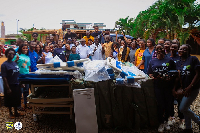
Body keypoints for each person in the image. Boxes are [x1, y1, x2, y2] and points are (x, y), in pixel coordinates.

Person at [147, 43, 176, 132]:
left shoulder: (169, 60)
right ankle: (161, 122)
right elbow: (150, 74)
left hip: (168, 86)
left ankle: (166, 121)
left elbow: (174, 73)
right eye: (157, 49)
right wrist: (155, 77)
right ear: (155, 51)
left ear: (164, 49)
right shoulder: (152, 61)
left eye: (161, 48)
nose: (159, 50)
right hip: (157, 86)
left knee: (168, 104)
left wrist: (169, 77)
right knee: (160, 104)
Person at [174, 44, 200, 133]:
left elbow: (198, 74)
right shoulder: (178, 62)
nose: (181, 51)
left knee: (182, 108)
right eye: (180, 49)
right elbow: (179, 77)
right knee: (186, 108)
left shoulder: (193, 59)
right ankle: (188, 128)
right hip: (184, 89)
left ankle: (198, 120)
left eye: (184, 49)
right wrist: (177, 89)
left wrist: (190, 87)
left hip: (193, 89)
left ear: (188, 51)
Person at [1, 48, 22, 118]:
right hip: (10, 85)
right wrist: (8, 88)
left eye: (13, 54)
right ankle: (10, 113)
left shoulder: (14, 63)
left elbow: (17, 73)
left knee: (16, 98)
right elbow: (4, 77)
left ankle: (16, 112)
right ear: (6, 54)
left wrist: (20, 83)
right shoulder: (4, 65)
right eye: (10, 54)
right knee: (9, 99)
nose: (11, 55)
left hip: (16, 84)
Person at [12, 44, 31, 110]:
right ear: (21, 49)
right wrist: (16, 60)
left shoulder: (28, 57)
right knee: (20, 91)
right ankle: (18, 106)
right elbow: (12, 64)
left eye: (26, 48)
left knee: (26, 91)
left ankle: (26, 104)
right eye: (24, 48)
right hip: (19, 76)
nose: (25, 49)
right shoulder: (17, 56)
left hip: (26, 75)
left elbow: (28, 67)